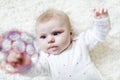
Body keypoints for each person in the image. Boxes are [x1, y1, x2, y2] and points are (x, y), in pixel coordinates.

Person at [1, 8, 111, 80]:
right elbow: (34, 71)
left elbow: (98, 35)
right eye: (43, 37)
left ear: (70, 33)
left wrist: (101, 21)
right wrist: (24, 63)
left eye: (56, 33)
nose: (50, 40)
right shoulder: (44, 58)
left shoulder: (79, 43)